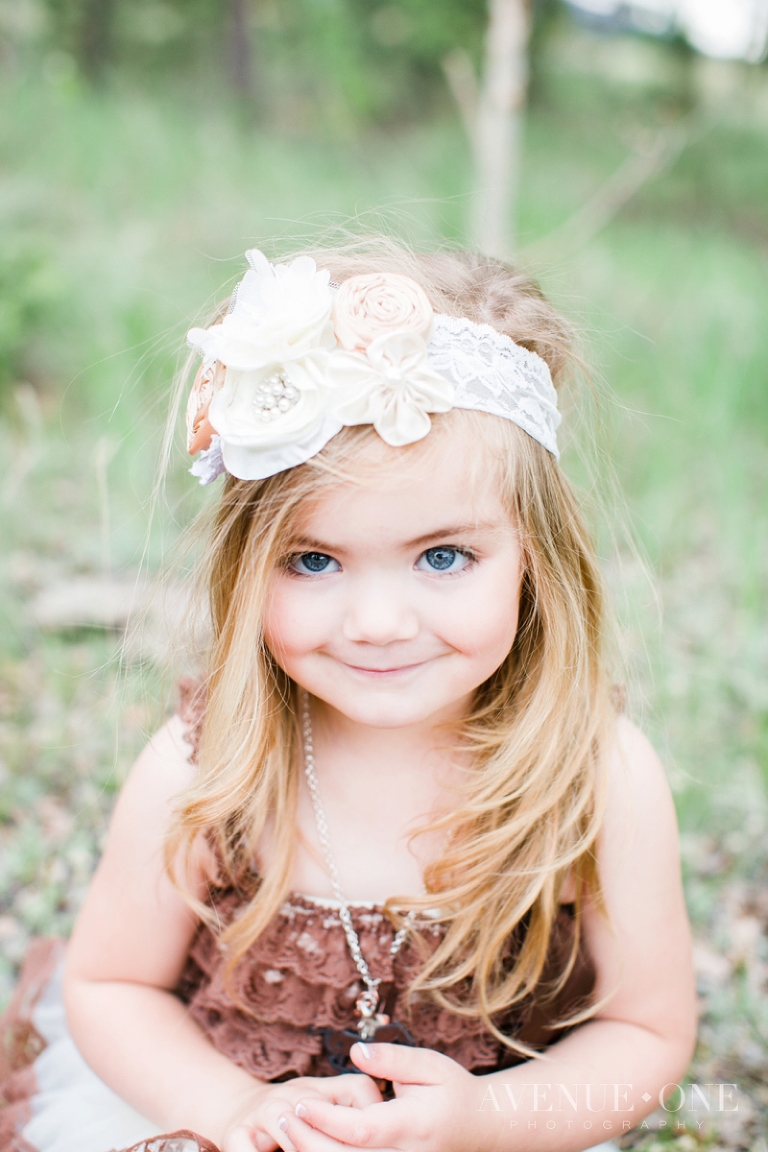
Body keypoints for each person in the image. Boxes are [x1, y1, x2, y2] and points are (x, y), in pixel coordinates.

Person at [0, 243, 696, 1152]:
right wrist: (238, 1113)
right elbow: (111, 986)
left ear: (536, 555)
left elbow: (644, 1034)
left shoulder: (597, 777)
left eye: (443, 557)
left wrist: (483, 1120)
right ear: (248, 568)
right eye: (313, 560)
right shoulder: (204, 765)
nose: (375, 622)